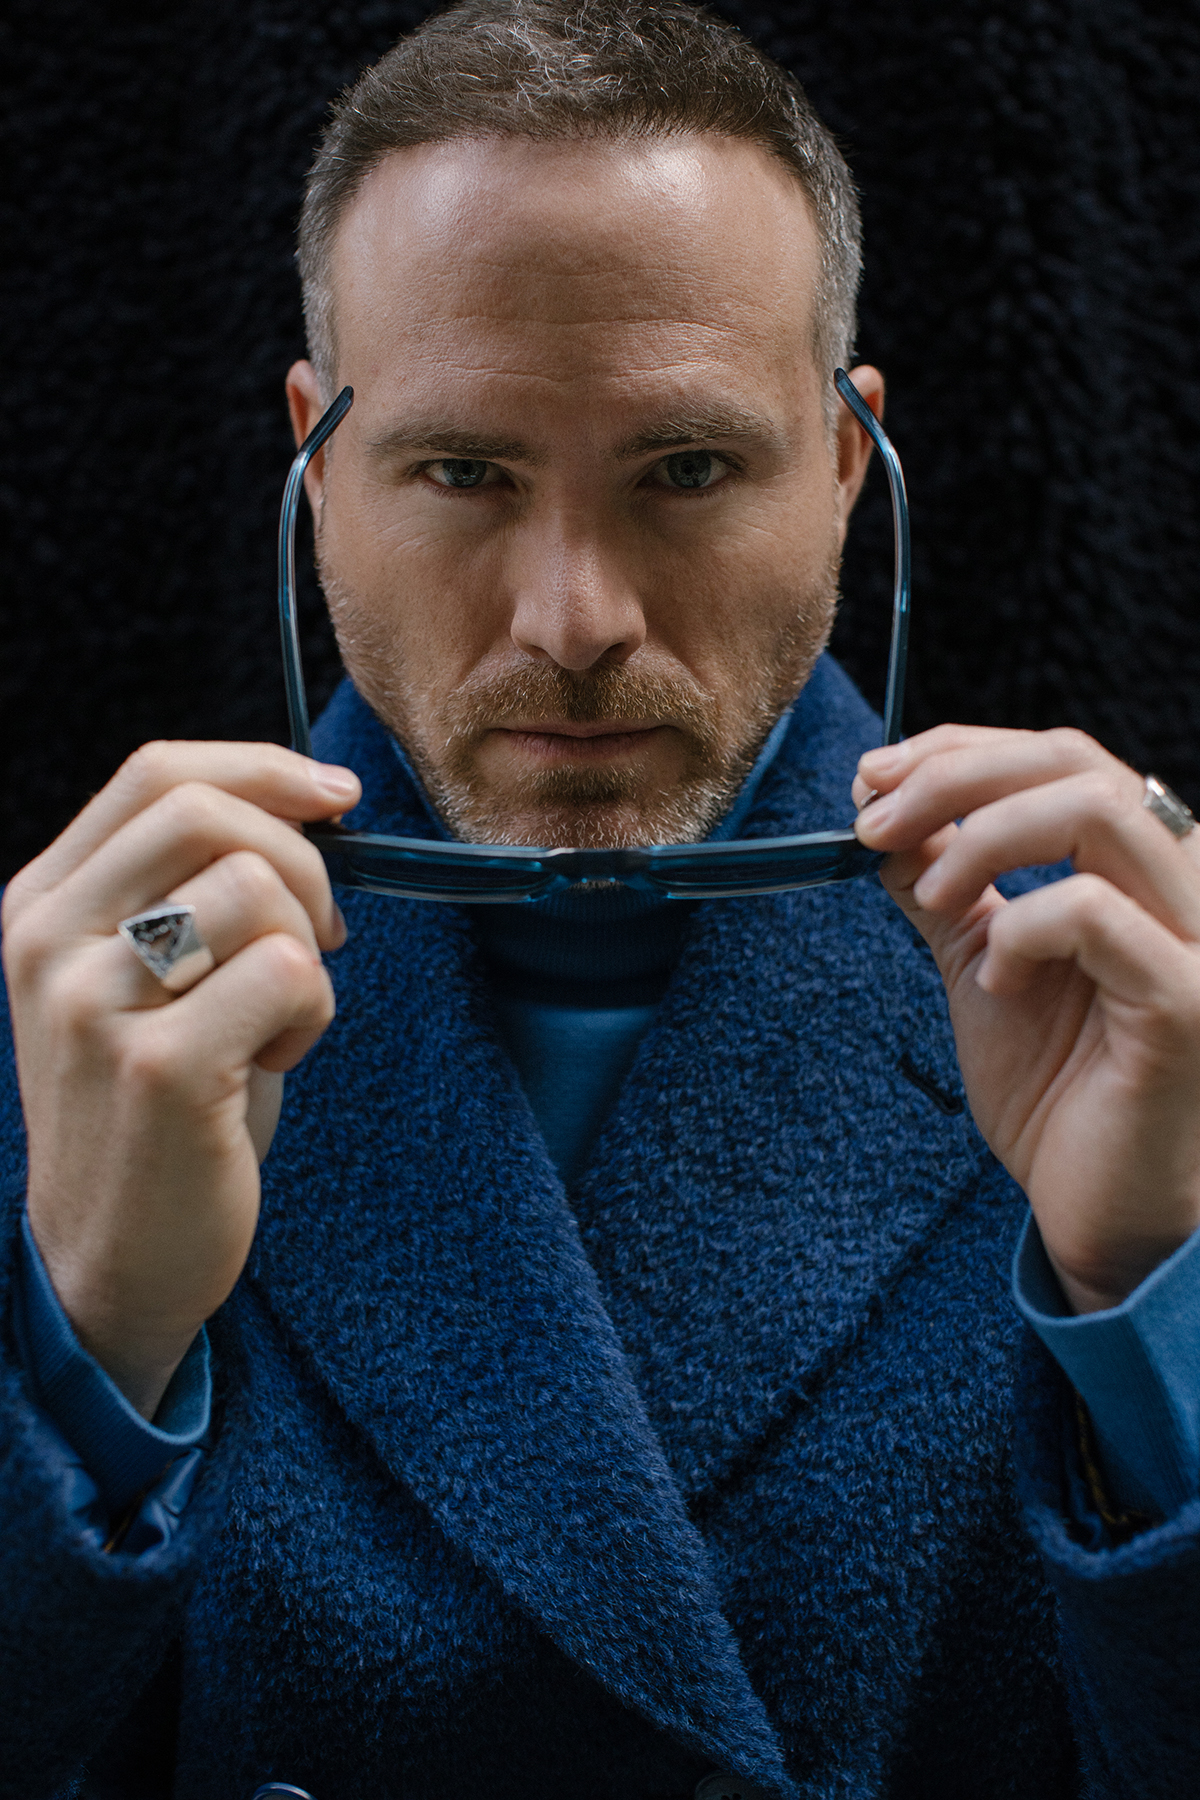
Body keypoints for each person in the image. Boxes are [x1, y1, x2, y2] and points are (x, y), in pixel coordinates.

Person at [3, 3, 1200, 1795]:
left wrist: (1162, 1295)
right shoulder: (62, 1024)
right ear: (317, 467)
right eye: (463, 473)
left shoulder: (1143, 1014)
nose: (575, 621)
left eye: (688, 470)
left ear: (846, 463)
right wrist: (86, 1334)